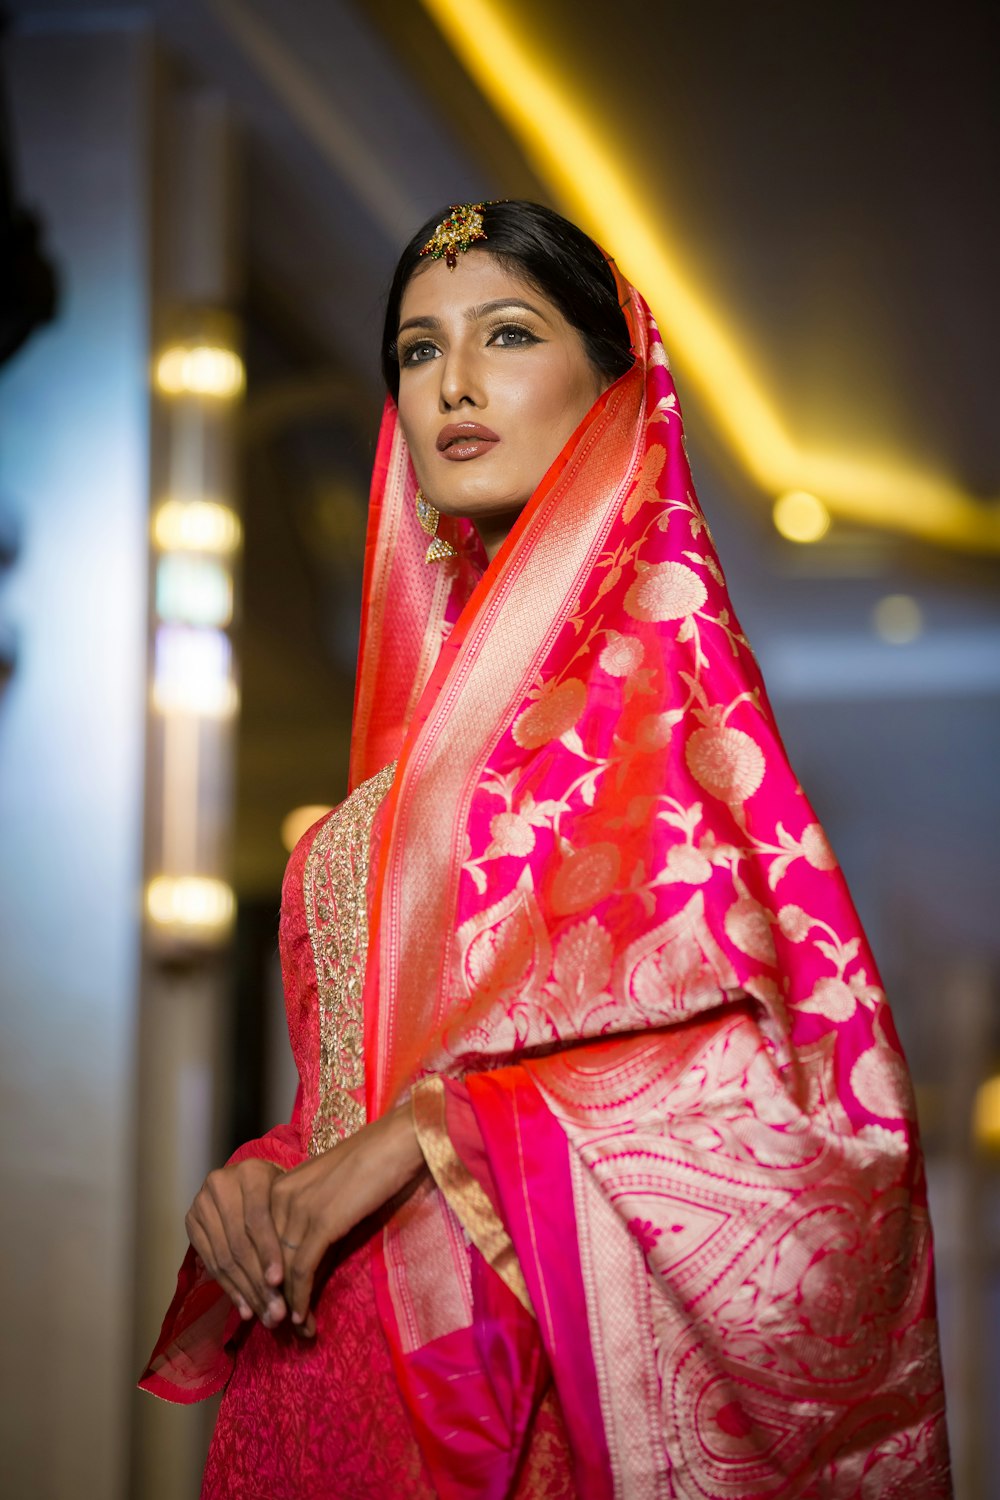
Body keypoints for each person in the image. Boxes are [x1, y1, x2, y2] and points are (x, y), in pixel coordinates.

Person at [141, 201, 951, 1498]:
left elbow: (768, 1098)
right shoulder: (393, 783)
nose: (452, 381)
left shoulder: (662, 735)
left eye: (507, 334)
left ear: (616, 386)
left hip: (529, 1381)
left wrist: (416, 1140)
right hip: (324, 1370)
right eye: (416, 349)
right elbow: (346, 1085)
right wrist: (265, 1179)